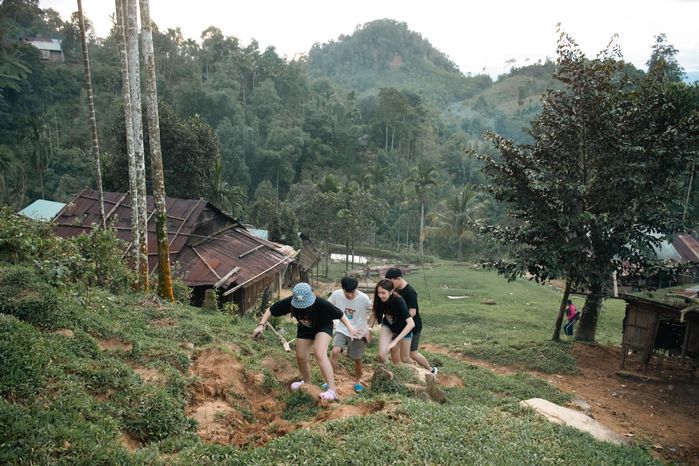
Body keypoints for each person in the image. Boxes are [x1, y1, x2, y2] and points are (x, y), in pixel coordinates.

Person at [253, 282, 359, 401]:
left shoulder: (321, 303)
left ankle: (332, 390)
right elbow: (271, 310)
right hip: (305, 329)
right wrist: (261, 325)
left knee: (319, 353)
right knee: (301, 356)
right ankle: (307, 382)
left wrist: (351, 329)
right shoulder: (290, 302)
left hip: (323, 326)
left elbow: (340, 314)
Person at [385, 267, 438, 375]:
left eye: (392, 282)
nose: (391, 285)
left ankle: (431, 369)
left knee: (412, 353)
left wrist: (399, 318)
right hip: (402, 326)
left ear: (399, 278)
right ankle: (403, 370)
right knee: (398, 350)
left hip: (413, 327)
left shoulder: (410, 292)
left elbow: (412, 312)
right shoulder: (395, 290)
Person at [327, 276, 373, 393]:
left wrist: (369, 330)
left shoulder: (364, 299)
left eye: (352, 292)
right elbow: (327, 307)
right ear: (342, 288)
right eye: (347, 292)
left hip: (358, 332)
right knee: (335, 351)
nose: (350, 295)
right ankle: (329, 380)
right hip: (342, 329)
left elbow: (375, 312)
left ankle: (358, 381)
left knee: (357, 359)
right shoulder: (336, 295)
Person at [372, 278, 415, 365]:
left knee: (405, 358)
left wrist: (394, 341)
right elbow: (374, 313)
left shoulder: (398, 301)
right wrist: (369, 329)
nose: (380, 295)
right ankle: (391, 373)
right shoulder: (379, 299)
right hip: (388, 325)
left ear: (391, 292)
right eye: (378, 292)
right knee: (381, 355)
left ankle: (415, 369)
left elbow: (411, 324)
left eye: (383, 293)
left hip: (403, 328)